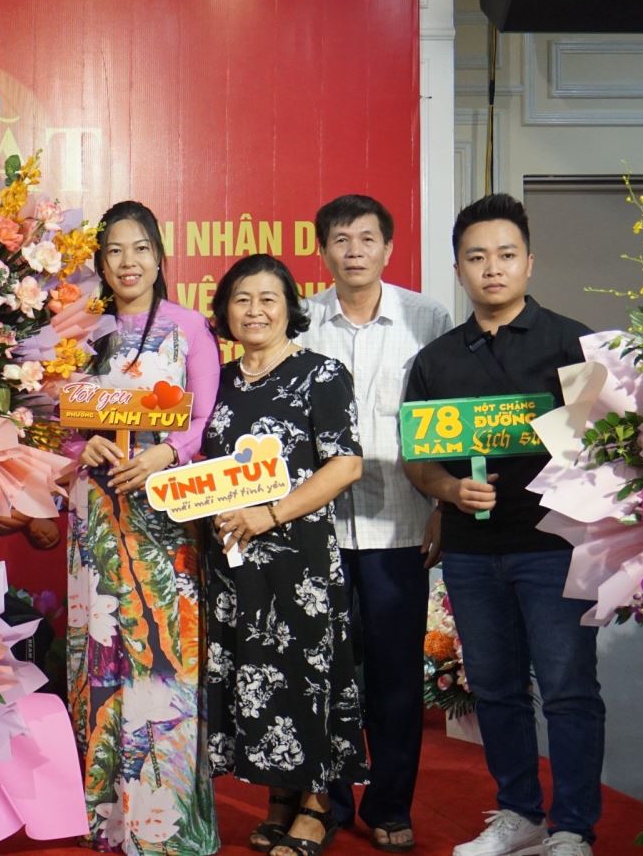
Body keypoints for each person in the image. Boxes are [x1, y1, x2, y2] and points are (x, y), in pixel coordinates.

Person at [402, 194, 601, 856]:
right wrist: (448, 490)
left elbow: (608, 446)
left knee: (569, 690)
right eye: (477, 257)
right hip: (470, 551)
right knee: (494, 691)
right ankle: (520, 814)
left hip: (555, 549)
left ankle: (572, 826)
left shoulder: (574, 344)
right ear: (458, 268)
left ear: (529, 263)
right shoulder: (436, 360)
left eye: (506, 255)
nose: (492, 268)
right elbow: (418, 458)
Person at [64, 200, 220, 854]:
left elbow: (207, 416)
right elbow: (49, 418)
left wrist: (168, 453)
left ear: (159, 256)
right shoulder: (79, 331)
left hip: (164, 516)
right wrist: (84, 446)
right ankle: (107, 826)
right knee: (102, 653)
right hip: (97, 518)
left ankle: (168, 827)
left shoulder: (189, 327)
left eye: (140, 249)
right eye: (114, 251)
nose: (127, 263)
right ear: (101, 263)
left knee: (163, 656)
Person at [300, 194, 453, 852]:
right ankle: (328, 802)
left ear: (389, 248)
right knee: (326, 672)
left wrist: (444, 503)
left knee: (395, 677)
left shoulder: (427, 317)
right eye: (341, 239)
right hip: (318, 531)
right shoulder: (302, 320)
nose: (354, 251)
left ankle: (389, 804)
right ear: (323, 250)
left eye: (367, 239)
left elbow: (446, 419)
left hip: (399, 526)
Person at [204, 253, 365, 856]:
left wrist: (269, 514)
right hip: (231, 561)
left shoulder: (321, 374)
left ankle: (318, 806)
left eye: (268, 299)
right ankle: (279, 797)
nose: (255, 310)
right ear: (225, 310)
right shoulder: (215, 381)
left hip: (297, 559)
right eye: (242, 299)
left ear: (290, 309)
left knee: (306, 672)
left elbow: (345, 464)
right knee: (255, 673)